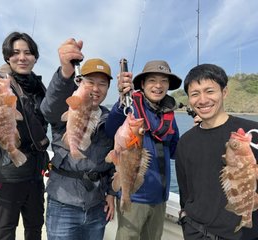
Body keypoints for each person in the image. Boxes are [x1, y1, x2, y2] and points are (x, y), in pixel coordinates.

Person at [0, 32, 50, 240]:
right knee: (4, 232)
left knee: (35, 227)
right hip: (6, 174)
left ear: (35, 57)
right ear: (7, 57)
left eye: (28, 53)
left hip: (35, 173)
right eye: (15, 53)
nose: (22, 57)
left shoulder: (38, 87)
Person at [40, 38, 115, 240]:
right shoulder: (67, 107)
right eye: (90, 82)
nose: (96, 89)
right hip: (63, 202)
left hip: (96, 205)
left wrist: (110, 193)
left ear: (108, 89)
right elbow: (49, 108)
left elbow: (113, 161)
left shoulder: (111, 119)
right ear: (80, 82)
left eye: (102, 84)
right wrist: (65, 71)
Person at [175, 63, 258, 240]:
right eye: (195, 94)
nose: (203, 100)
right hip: (196, 233)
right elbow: (185, 193)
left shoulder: (253, 132)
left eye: (210, 91)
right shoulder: (185, 142)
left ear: (224, 92)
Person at [105, 60, 181, 240]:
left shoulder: (169, 114)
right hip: (134, 195)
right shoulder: (131, 108)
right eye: (152, 80)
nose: (158, 85)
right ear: (143, 84)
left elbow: (176, 151)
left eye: (164, 81)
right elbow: (110, 128)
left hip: (160, 198)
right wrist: (121, 99)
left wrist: (197, 134)